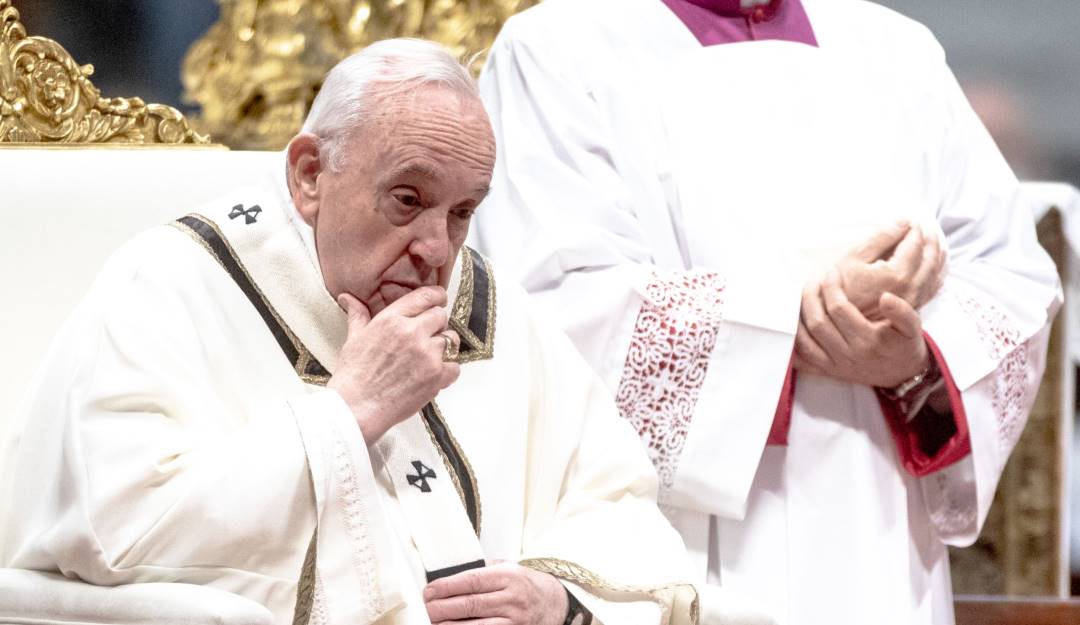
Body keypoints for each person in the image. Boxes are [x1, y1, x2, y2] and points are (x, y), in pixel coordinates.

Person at [2, 39, 710, 625]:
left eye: (462, 211)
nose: (437, 247)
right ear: (310, 174)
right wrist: (349, 412)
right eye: (409, 198)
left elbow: (615, 499)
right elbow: (115, 530)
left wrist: (557, 597)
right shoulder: (168, 289)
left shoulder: (493, 307)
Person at [472, 1, 1062, 624]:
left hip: (880, 536)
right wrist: (796, 322)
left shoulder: (900, 50)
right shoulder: (556, 47)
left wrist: (914, 361)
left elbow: (1009, 279)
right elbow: (550, 306)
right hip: (676, 549)